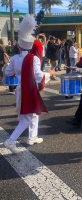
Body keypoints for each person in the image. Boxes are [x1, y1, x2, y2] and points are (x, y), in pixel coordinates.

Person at [4, 15, 48, 154]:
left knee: (33, 114)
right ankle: (10, 141)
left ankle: (32, 136)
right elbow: (38, 75)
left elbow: (7, 72)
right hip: (30, 90)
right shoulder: (33, 58)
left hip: (20, 88)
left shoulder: (15, 58)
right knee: (26, 118)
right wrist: (48, 75)